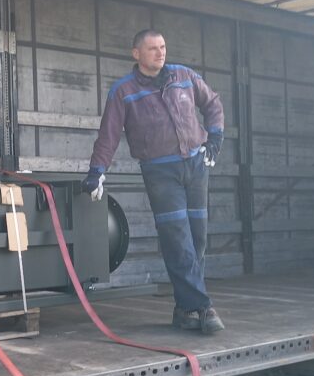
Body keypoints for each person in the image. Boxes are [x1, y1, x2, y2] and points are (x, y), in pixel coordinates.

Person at [81, 30, 225, 334]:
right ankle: (203, 307)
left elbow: (212, 102)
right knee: (178, 239)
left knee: (197, 239)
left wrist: (215, 139)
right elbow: (108, 135)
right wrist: (97, 171)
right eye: (152, 48)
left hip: (196, 166)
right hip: (160, 172)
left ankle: (185, 309)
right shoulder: (124, 91)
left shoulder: (184, 76)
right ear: (136, 54)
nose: (160, 53)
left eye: (163, 47)